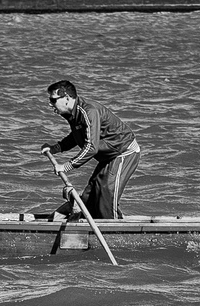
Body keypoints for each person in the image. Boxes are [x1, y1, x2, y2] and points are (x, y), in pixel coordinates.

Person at [41, 79, 140, 220]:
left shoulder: (88, 111)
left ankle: (114, 231)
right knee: (90, 196)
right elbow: (77, 135)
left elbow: (91, 147)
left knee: (106, 192)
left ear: (67, 98)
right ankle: (97, 222)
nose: (50, 104)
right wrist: (56, 148)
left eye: (53, 100)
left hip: (124, 153)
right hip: (108, 157)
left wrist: (66, 166)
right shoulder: (71, 114)